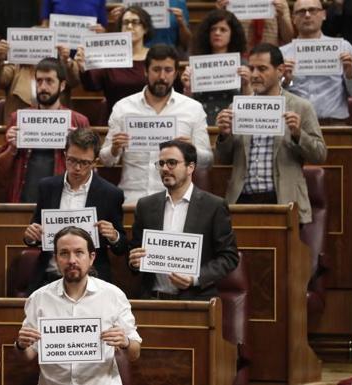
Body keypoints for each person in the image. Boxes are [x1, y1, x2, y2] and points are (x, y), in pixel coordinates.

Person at [215, 43, 327, 224]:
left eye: (262, 68)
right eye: (251, 68)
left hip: (285, 199)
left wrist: (299, 134)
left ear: (280, 70)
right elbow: (223, 159)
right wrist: (224, 135)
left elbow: (320, 155)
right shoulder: (236, 108)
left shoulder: (300, 107)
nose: (254, 75)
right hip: (242, 200)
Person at [15, 226, 142, 385]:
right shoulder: (38, 298)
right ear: (55, 258)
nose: (72, 260)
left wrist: (126, 342)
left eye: (79, 252)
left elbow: (134, 353)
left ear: (92, 257)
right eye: (64, 253)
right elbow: (27, 356)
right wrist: (20, 345)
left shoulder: (113, 296)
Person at [100, 44, 213, 204]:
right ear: (146, 71)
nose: (162, 76)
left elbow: (207, 161)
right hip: (132, 199)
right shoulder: (123, 107)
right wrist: (114, 148)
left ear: (175, 74)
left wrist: (193, 149)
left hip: (177, 201)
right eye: (156, 69)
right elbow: (106, 160)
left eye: (168, 70)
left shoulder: (193, 109)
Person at [128, 140, 239, 300]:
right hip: (153, 301)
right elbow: (135, 252)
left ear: (190, 167)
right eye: (161, 163)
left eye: (172, 163)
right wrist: (134, 261)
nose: (165, 169)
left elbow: (229, 257)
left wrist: (195, 278)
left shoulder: (213, 206)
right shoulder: (145, 205)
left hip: (195, 301)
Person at [23, 128, 126, 292]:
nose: (77, 168)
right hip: (49, 277)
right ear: (65, 155)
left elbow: (121, 247)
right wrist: (30, 236)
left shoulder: (110, 194)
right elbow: (35, 232)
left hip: (93, 280)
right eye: (72, 160)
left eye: (84, 163)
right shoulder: (47, 187)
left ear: (95, 162)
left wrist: (114, 236)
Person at [0, 57, 90, 203]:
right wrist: (12, 148)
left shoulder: (78, 121)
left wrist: (76, 146)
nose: (43, 87)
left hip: (64, 200)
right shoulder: (18, 118)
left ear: (63, 85)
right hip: (24, 197)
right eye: (39, 81)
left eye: (49, 81)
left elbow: (89, 169)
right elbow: (2, 169)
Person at [280, 0, 352, 124]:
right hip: (296, 125)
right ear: (293, 18)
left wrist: (350, 75)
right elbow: (273, 97)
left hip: (334, 125)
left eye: (313, 10)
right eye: (301, 11)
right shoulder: (282, 54)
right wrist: (287, 81)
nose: (307, 15)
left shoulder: (343, 48)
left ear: (323, 15)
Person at [72, 5, 153, 117]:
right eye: (125, 23)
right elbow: (92, 85)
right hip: (115, 119)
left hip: (149, 120)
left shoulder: (154, 56)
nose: (129, 26)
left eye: (135, 22)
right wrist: (83, 67)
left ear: (146, 28)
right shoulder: (110, 55)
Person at [180, 9, 252, 125]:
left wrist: (247, 84)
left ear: (232, 34)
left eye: (223, 30)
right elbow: (188, 104)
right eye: (213, 29)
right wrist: (188, 88)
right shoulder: (196, 65)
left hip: (233, 122)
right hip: (201, 121)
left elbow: (250, 105)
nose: (217, 33)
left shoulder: (242, 65)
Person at [0, 40, 77, 126]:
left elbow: (74, 81)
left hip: (58, 127)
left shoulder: (60, 66)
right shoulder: (15, 67)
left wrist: (66, 61)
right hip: (19, 128)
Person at [111, 1, 191, 52]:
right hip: (133, 56)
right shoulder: (129, 2)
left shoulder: (178, 3)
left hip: (168, 56)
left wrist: (181, 23)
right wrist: (120, 22)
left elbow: (186, 44)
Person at [216, 0, 294, 51]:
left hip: (271, 58)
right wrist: (221, 13)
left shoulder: (280, 2)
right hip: (241, 57)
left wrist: (282, 16)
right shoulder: (230, 2)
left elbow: (288, 39)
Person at [40, 0, 108, 33]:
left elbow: (103, 28)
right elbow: (45, 24)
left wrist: (100, 31)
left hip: (87, 53)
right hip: (57, 52)